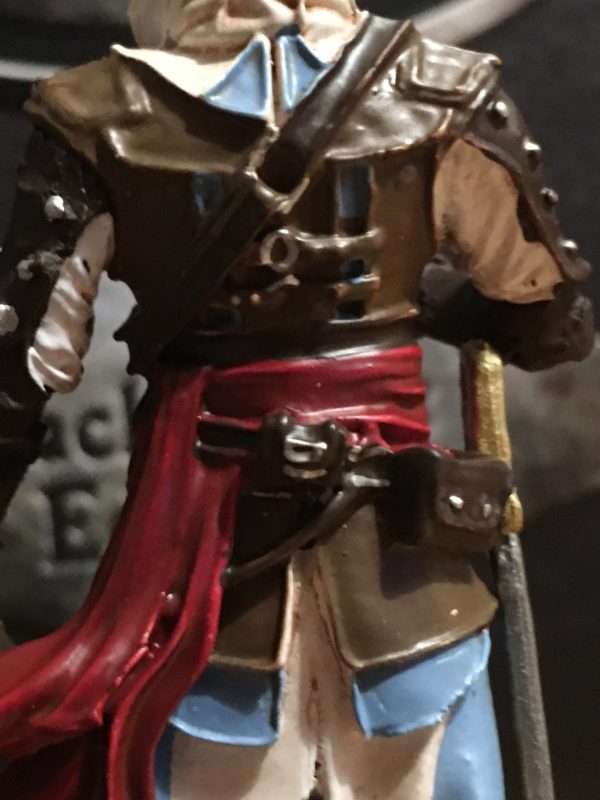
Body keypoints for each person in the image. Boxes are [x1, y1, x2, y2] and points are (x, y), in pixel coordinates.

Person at [0, 2, 593, 799]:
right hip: (398, 574)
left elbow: (20, 378)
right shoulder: (443, 93)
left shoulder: (99, 117)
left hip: (204, 551)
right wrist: (430, 305)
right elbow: (551, 319)